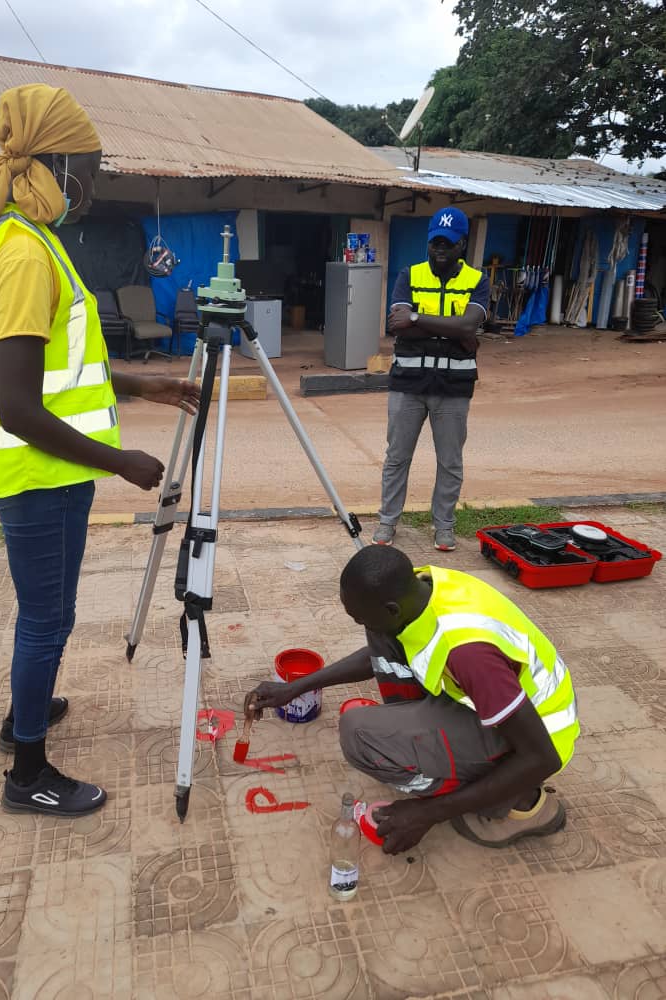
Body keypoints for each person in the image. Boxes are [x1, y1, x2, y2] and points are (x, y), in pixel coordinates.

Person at [0, 84, 200, 817]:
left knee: (42, 613)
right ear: (56, 161)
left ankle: (23, 714)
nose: (94, 182)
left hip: (37, 470)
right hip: (38, 474)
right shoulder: (24, 251)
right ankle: (28, 774)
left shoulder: (32, 236)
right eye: (89, 165)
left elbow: (56, 369)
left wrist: (140, 386)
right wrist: (120, 460)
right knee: (48, 619)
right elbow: (23, 406)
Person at [244, 545, 578, 855]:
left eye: (358, 616)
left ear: (392, 608)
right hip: (499, 706)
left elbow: (542, 757)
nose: (357, 622)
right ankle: (439, 754)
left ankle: (521, 803)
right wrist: (297, 687)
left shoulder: (469, 654)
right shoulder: (420, 586)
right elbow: (378, 651)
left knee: (358, 733)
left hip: (538, 739)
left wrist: (428, 812)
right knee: (381, 634)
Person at [374, 207, 490, 551]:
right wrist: (453, 331)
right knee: (397, 457)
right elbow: (397, 324)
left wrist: (418, 318)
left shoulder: (477, 281)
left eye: (448, 243)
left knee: (450, 462)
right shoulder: (409, 275)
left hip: (454, 388)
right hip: (408, 383)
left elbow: (469, 327)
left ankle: (444, 527)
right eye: (435, 242)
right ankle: (387, 522)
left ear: (462, 245)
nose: (440, 249)